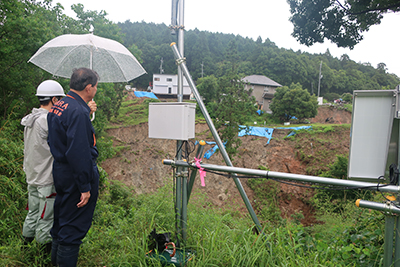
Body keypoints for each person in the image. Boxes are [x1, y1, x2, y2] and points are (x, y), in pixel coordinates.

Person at [47, 68, 99, 267]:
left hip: (61, 170)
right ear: (88, 87)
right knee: (73, 228)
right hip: (75, 174)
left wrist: (87, 110)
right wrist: (84, 186)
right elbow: (79, 152)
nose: (95, 90)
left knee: (61, 222)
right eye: (95, 86)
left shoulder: (59, 105)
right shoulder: (77, 112)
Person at [21, 80, 66, 254]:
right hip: (45, 178)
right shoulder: (47, 119)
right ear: (54, 100)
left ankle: (24, 251)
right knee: (46, 218)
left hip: (32, 176)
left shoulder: (31, 119)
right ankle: (42, 257)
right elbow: (65, 140)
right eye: (60, 100)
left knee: (32, 213)